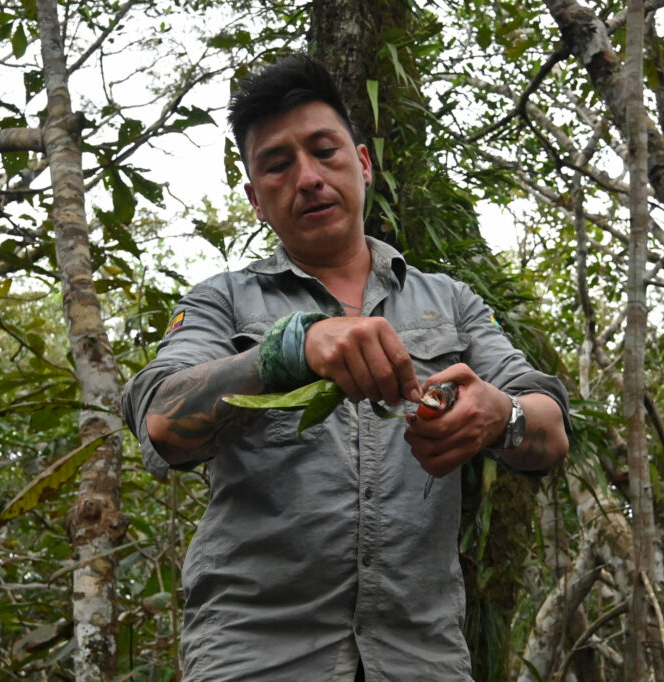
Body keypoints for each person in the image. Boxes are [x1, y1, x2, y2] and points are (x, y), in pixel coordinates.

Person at [121, 53, 570, 681]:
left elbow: (550, 429)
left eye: (324, 151)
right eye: (278, 165)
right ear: (254, 199)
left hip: (422, 658)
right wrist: (287, 352)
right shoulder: (222, 301)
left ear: (362, 163)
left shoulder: (451, 303)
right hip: (256, 656)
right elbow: (161, 421)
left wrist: (503, 415)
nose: (307, 177)